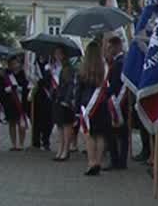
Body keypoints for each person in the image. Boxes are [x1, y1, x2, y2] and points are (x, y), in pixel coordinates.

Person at [74, 41, 110, 175]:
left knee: (89, 135)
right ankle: (99, 162)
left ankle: (91, 162)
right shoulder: (104, 68)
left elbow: (78, 90)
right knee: (100, 135)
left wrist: (76, 109)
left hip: (87, 106)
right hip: (101, 105)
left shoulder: (83, 69)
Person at [103, 35, 128, 170]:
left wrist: (105, 91)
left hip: (118, 101)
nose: (109, 49)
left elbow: (116, 84)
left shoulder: (119, 63)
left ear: (117, 46)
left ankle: (116, 160)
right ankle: (121, 160)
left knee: (114, 133)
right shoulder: (118, 61)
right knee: (121, 134)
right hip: (119, 100)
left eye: (110, 47)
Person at [50, 47, 76, 161]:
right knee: (59, 125)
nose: (57, 56)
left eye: (59, 54)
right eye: (55, 54)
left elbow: (70, 85)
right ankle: (60, 148)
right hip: (57, 99)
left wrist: (67, 99)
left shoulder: (68, 68)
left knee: (66, 125)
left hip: (65, 100)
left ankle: (66, 150)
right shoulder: (54, 67)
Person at [0, 54, 29, 151]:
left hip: (21, 101)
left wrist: (20, 88)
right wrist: (6, 89)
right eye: (12, 63)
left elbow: (27, 87)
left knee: (21, 122)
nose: (14, 65)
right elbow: (2, 88)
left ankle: (21, 143)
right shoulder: (7, 75)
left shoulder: (23, 74)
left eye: (15, 63)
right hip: (10, 101)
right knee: (12, 122)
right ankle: (13, 144)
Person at [31, 51, 53, 151]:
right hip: (37, 96)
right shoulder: (34, 66)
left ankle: (46, 140)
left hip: (48, 96)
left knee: (48, 120)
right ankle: (36, 141)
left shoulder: (51, 66)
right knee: (36, 119)